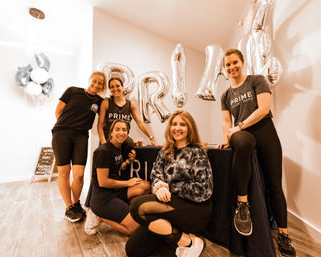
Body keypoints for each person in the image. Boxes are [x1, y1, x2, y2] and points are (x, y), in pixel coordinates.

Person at [218, 48, 296, 256]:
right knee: (241, 142)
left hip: (265, 131)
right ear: (224, 69)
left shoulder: (257, 80)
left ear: (242, 63)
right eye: (227, 65)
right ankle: (242, 205)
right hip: (242, 135)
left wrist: (240, 125)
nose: (232, 67)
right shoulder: (225, 95)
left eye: (235, 62)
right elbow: (227, 122)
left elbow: (263, 109)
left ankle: (283, 234)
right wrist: (227, 138)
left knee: (274, 185)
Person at [126, 110, 213, 257]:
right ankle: (181, 239)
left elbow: (203, 190)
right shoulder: (165, 151)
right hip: (168, 203)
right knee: (133, 249)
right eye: (174, 124)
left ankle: (191, 243)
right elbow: (155, 174)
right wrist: (159, 186)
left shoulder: (197, 152)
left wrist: (170, 188)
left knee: (137, 206)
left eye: (182, 124)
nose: (177, 128)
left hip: (195, 209)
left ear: (190, 128)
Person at [51, 71, 106, 222]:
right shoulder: (73, 91)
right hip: (62, 133)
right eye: (94, 81)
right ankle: (69, 207)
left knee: (79, 175)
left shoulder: (100, 102)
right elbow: (58, 112)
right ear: (90, 80)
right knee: (64, 171)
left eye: (100, 83)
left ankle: (76, 204)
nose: (96, 85)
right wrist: (67, 127)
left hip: (81, 136)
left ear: (102, 86)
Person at [84, 119, 150, 235]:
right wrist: (127, 183)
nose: (121, 132)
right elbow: (103, 182)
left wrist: (129, 161)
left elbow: (116, 168)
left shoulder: (118, 148)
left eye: (124, 130)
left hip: (115, 191)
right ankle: (100, 216)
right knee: (135, 230)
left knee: (145, 186)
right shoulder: (103, 151)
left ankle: (126, 212)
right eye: (117, 129)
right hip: (103, 197)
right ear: (111, 133)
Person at [98, 77, 158, 146]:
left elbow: (140, 123)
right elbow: (100, 125)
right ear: (110, 89)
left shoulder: (131, 105)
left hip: (122, 140)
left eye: (117, 86)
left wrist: (151, 138)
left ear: (122, 87)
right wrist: (103, 142)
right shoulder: (106, 103)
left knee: (130, 146)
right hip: (108, 140)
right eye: (112, 87)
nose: (115, 89)